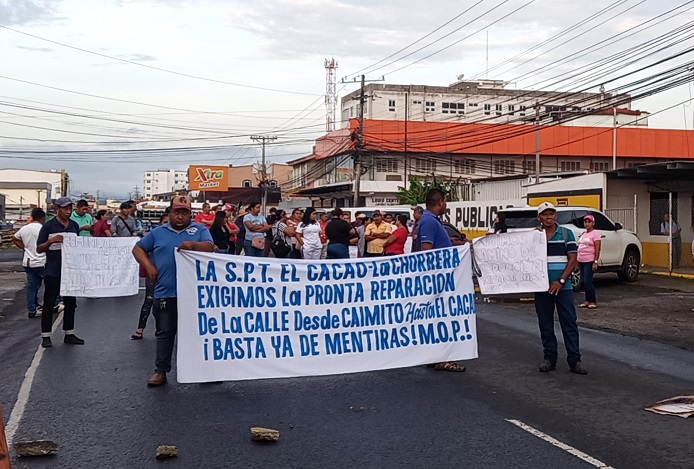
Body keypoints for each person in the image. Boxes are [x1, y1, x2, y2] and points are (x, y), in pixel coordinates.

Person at [132, 195, 214, 386]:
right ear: (170, 213)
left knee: (199, 333)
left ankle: (205, 370)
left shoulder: (199, 230)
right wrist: (149, 266)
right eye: (176, 212)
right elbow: (138, 249)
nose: (180, 217)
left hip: (194, 294)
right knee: (165, 333)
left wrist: (193, 245)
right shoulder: (157, 232)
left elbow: (209, 247)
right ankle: (161, 371)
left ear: (190, 214)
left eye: (184, 213)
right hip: (165, 291)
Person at [535, 202, 587, 375]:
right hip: (542, 288)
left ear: (555, 216)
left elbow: (573, 260)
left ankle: (574, 360)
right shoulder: (535, 236)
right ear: (539, 217)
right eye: (545, 214)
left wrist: (561, 280)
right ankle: (549, 358)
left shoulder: (566, 233)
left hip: (563, 287)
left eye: (552, 214)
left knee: (569, 322)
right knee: (545, 323)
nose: (549, 217)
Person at [419, 189, 465, 372]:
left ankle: (435, 355)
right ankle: (443, 358)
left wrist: (458, 245)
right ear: (440, 202)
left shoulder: (433, 220)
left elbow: (439, 245)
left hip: (441, 276)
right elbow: (427, 251)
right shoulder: (429, 221)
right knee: (442, 318)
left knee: (438, 317)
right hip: (437, 277)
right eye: (445, 201)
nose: (446, 205)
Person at [36, 197, 83, 348]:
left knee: (71, 303)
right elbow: (39, 248)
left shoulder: (74, 226)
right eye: (65, 208)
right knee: (49, 303)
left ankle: (69, 333)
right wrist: (50, 241)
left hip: (70, 270)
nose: (68, 211)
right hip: (53, 270)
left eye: (70, 208)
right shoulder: (48, 226)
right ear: (58, 209)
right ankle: (46, 336)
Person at [131, 211, 169, 340]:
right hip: (153, 274)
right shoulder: (154, 236)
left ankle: (161, 329)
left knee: (165, 304)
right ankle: (140, 329)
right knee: (149, 300)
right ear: (160, 223)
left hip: (168, 276)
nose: (167, 225)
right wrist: (148, 266)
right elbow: (138, 250)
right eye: (165, 222)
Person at [13, 208, 46, 318]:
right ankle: (54, 304)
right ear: (43, 218)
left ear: (32, 217)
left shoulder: (24, 229)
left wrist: (25, 248)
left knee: (32, 286)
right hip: (42, 261)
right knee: (50, 284)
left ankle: (32, 308)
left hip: (28, 262)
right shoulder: (43, 229)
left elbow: (15, 238)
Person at [577, 214, 601, 309]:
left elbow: (597, 248)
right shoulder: (583, 234)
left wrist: (595, 261)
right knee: (583, 281)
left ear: (593, 223)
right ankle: (587, 300)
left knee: (588, 281)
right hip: (581, 260)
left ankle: (593, 300)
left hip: (589, 260)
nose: (587, 224)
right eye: (585, 222)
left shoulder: (595, 234)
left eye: (589, 222)